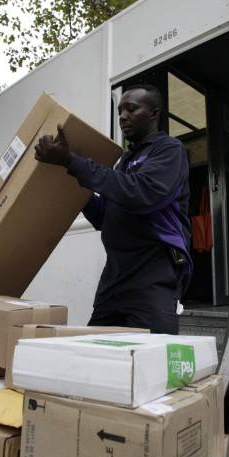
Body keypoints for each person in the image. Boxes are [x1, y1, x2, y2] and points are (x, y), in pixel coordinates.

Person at [34, 85, 192, 334]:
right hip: (115, 276)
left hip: (152, 274)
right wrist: (71, 180)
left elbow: (142, 193)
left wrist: (73, 162)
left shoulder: (169, 149)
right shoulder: (125, 162)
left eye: (131, 109)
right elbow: (103, 217)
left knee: (150, 359)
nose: (122, 116)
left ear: (153, 113)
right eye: (120, 110)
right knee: (96, 352)